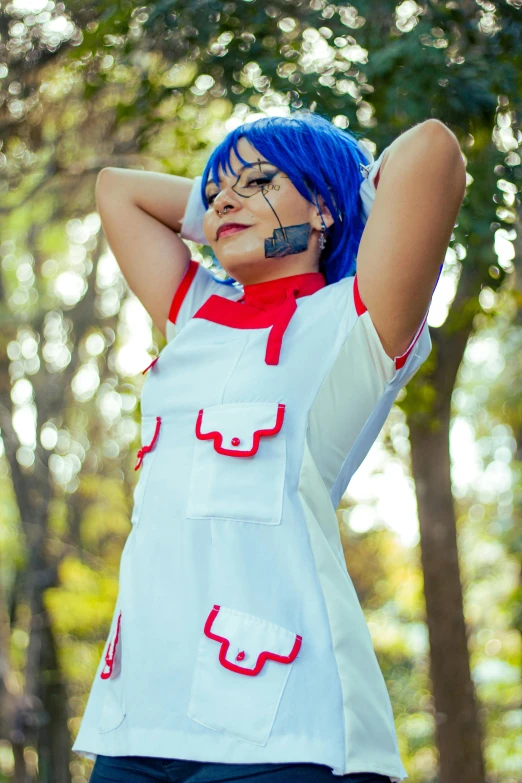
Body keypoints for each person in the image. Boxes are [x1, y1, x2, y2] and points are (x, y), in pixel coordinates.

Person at [72, 112, 467, 783]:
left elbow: (433, 152)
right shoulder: (194, 315)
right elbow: (116, 189)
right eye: (216, 189)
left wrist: (341, 197)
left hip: (286, 722)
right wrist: (238, 213)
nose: (223, 198)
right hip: (138, 710)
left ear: (322, 209)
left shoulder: (355, 320)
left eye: (257, 181)